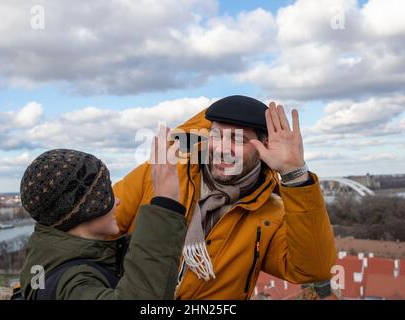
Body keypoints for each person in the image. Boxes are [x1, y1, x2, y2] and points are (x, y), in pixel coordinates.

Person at [112, 95, 337, 300]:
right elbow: (95, 230)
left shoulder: (270, 213)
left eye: (238, 140)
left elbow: (312, 268)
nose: (222, 148)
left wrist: (295, 175)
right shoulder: (160, 173)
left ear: (265, 146)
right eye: (216, 135)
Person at [19, 131, 187, 299]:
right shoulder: (73, 284)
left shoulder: (46, 257)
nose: (118, 201)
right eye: (107, 194)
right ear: (87, 210)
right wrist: (167, 202)